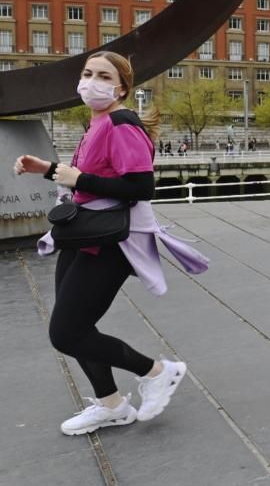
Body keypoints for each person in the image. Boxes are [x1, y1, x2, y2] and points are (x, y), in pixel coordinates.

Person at [13, 51, 209, 436]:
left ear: (121, 87)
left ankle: (158, 372)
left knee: (66, 333)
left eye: (103, 75)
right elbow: (86, 175)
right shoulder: (98, 122)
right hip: (84, 235)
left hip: (110, 243)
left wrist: (75, 179)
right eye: (87, 73)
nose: (91, 81)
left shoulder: (121, 123)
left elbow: (141, 186)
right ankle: (112, 405)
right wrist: (48, 169)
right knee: (78, 327)